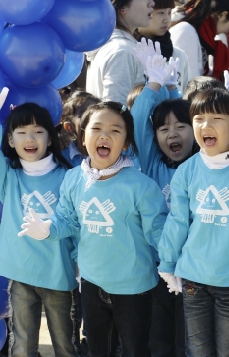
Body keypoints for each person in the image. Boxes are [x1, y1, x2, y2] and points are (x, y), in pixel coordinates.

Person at [20, 101, 168, 357]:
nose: (104, 135)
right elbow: (67, 220)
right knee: (99, 349)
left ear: (127, 143)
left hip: (134, 287)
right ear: (82, 136)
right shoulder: (73, 178)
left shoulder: (141, 186)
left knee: (135, 350)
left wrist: (173, 262)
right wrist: (48, 229)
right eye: (96, 128)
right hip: (91, 283)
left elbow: (158, 234)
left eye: (115, 130)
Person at [157, 88, 229, 356]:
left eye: (217, 118)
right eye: (199, 119)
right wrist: (168, 263)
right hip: (194, 278)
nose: (206, 126)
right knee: (197, 350)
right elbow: (178, 221)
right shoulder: (188, 170)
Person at [130, 54, 198, 356]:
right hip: (158, 269)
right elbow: (137, 127)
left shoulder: (201, 166)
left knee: (189, 340)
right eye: (163, 129)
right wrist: (154, 85)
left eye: (181, 127)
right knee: (159, 339)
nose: (172, 133)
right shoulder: (151, 162)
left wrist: (173, 89)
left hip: (195, 269)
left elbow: (188, 115)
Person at [0, 101, 77, 357]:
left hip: (59, 277)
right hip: (20, 276)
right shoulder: (9, 177)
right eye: (21, 132)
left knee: (66, 346)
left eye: (38, 131)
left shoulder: (69, 177)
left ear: (50, 137)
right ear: (10, 140)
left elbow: (74, 223)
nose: (30, 138)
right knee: (21, 348)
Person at [86, 0, 155, 104]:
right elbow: (116, 110)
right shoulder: (122, 51)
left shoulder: (119, 46)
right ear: (122, 6)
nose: (152, 3)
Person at [170, 0, 229, 83]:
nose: (228, 30)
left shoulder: (202, 34)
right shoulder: (187, 31)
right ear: (223, 15)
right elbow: (188, 83)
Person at [138, 0, 191, 94]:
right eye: (160, 13)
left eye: (169, 12)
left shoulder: (179, 56)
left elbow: (186, 98)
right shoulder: (132, 52)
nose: (167, 19)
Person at [58, 91, 100, 167]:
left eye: (96, 113)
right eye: (83, 115)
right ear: (69, 127)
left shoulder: (112, 149)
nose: (92, 118)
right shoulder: (62, 159)